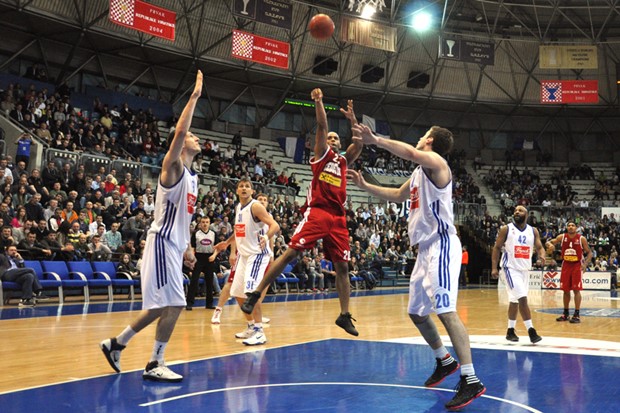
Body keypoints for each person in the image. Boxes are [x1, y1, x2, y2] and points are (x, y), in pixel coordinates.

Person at [346, 125, 486, 410]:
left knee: (445, 310)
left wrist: (377, 140)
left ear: (430, 140)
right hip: (423, 250)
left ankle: (471, 379)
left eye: (423, 134)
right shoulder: (418, 175)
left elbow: (410, 152)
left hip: (442, 245)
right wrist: (364, 186)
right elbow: (398, 195)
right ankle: (444, 360)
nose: (419, 137)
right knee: (417, 313)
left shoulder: (437, 163)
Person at [99, 70, 203, 383]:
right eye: (192, 136)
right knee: (176, 303)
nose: (196, 138)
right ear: (183, 144)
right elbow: (180, 132)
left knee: (161, 306)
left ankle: (116, 344)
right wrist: (195, 95)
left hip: (173, 245)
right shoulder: (173, 167)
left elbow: (183, 217)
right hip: (160, 243)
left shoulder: (195, 179)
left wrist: (186, 246)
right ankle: (154, 361)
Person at [240, 90, 363, 337]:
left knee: (343, 267)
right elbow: (321, 124)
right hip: (318, 212)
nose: (332, 139)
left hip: (338, 218)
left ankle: (344, 315)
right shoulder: (320, 155)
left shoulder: (343, 162)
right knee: (290, 253)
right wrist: (318, 102)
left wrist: (352, 121)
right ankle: (255, 294)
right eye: (330, 137)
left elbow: (359, 143)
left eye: (336, 138)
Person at [211, 182, 279, 345]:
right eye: (240, 186)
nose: (243, 188)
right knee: (237, 292)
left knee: (251, 292)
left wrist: (266, 237)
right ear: (236, 190)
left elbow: (274, 225)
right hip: (244, 255)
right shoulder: (238, 208)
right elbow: (239, 231)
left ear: (252, 190)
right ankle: (251, 326)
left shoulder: (255, 207)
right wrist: (227, 243)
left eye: (247, 186)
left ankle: (259, 331)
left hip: (257, 255)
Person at [491, 205, 545, 343]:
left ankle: (510, 331)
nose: (516, 212)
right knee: (522, 298)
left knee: (514, 301)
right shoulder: (507, 229)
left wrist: (542, 256)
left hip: (524, 270)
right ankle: (531, 331)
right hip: (510, 268)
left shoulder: (533, 231)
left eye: (520, 210)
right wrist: (494, 268)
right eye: (515, 210)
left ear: (526, 214)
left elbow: (539, 247)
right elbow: (497, 248)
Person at [545, 221, 593, 323]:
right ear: (566, 227)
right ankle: (565, 314)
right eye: (569, 226)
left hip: (577, 266)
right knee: (565, 290)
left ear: (576, 228)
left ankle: (577, 314)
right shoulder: (562, 237)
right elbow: (548, 242)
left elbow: (589, 253)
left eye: (573, 226)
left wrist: (585, 264)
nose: (571, 227)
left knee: (576, 290)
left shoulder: (581, 239)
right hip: (566, 265)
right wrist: (549, 245)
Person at [186, 216, 217, 310]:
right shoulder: (196, 234)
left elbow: (217, 247)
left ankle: (209, 304)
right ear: (200, 223)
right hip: (198, 258)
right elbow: (192, 247)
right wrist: (192, 258)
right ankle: (189, 303)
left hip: (210, 258)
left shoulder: (213, 233)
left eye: (207, 222)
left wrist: (214, 255)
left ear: (209, 223)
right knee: (194, 280)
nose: (205, 224)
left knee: (209, 281)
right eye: (203, 222)